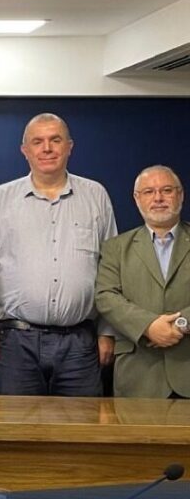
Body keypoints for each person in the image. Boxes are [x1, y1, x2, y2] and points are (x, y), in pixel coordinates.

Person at [0, 113, 117, 396]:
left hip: (80, 344)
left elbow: (111, 269)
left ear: (69, 147)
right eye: (37, 142)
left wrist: (107, 332)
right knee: (15, 423)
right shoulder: (1, 199)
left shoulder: (96, 196)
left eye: (55, 140)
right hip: (14, 342)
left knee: (82, 423)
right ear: (25, 150)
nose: (47, 148)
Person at [96, 165, 190, 398]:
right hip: (138, 373)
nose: (158, 198)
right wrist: (148, 326)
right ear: (137, 198)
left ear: (180, 195)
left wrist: (181, 324)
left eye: (166, 190)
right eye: (149, 192)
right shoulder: (116, 247)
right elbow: (106, 296)